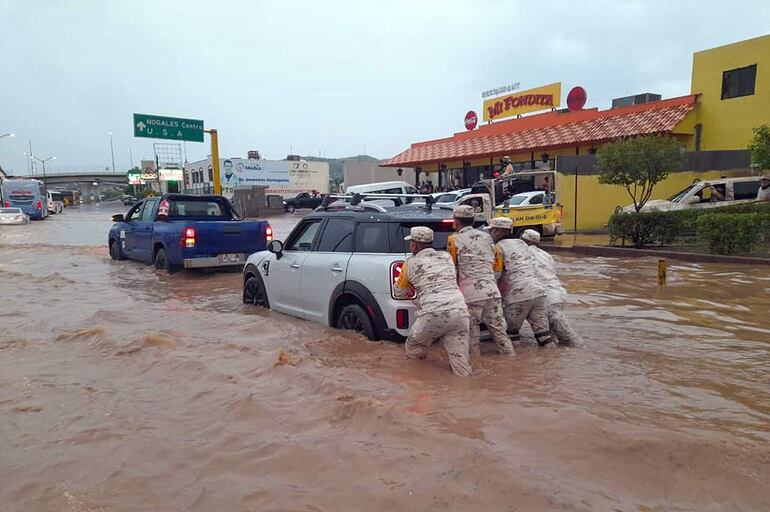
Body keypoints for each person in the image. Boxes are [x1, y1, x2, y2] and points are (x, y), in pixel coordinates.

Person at [394, 227, 472, 377]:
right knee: (461, 363)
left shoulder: (410, 263)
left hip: (432, 313)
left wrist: (416, 296)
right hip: (460, 312)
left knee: (414, 347)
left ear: (414, 245)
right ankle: (464, 391)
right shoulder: (446, 257)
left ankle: (420, 385)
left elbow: (399, 292)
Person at [447, 206, 515, 357]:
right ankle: (511, 359)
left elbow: (452, 267)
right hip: (492, 291)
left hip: (470, 294)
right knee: (499, 331)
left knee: (472, 333)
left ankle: (476, 364)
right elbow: (496, 267)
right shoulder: (488, 238)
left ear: (456, 221)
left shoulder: (453, 239)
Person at [488, 218, 552, 347]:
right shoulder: (523, 244)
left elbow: (496, 275)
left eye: (491, 230)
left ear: (497, 230)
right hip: (539, 292)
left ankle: (514, 364)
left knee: (511, 335)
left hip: (518, 295)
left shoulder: (498, 248)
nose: (490, 233)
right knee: (544, 336)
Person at [521, 229, 583, 347]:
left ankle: (579, 349)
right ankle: (557, 355)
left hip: (543, 295)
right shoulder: (546, 255)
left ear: (522, 241)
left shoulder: (521, 253)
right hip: (557, 293)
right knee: (550, 331)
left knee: (566, 334)